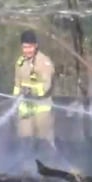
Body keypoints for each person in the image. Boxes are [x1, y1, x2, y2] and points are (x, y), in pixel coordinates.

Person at [13, 30, 56, 161]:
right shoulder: (20, 62)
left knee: (43, 142)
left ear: (36, 46)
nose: (27, 50)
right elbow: (17, 83)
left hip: (41, 109)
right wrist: (15, 98)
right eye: (25, 47)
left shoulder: (44, 62)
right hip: (25, 110)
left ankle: (49, 166)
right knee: (25, 140)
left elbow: (46, 86)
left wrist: (32, 91)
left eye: (30, 47)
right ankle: (26, 167)